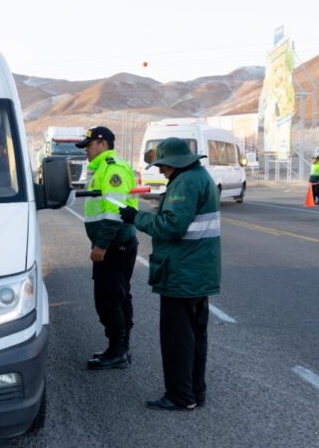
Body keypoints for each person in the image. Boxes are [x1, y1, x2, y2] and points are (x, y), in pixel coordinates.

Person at [118, 137, 221, 411]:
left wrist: (135, 217)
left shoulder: (186, 182)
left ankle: (179, 396)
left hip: (182, 273)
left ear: (174, 163)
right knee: (195, 336)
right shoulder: (200, 177)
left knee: (177, 339)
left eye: (163, 165)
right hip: (198, 272)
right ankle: (195, 392)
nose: (161, 170)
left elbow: (172, 226)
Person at [76, 126, 139, 370]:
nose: (87, 152)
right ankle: (119, 348)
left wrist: (101, 245)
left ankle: (118, 351)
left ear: (102, 144)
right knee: (116, 296)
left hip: (115, 244)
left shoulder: (113, 169)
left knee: (110, 298)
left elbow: (114, 211)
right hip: (113, 244)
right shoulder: (101, 169)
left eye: (89, 146)